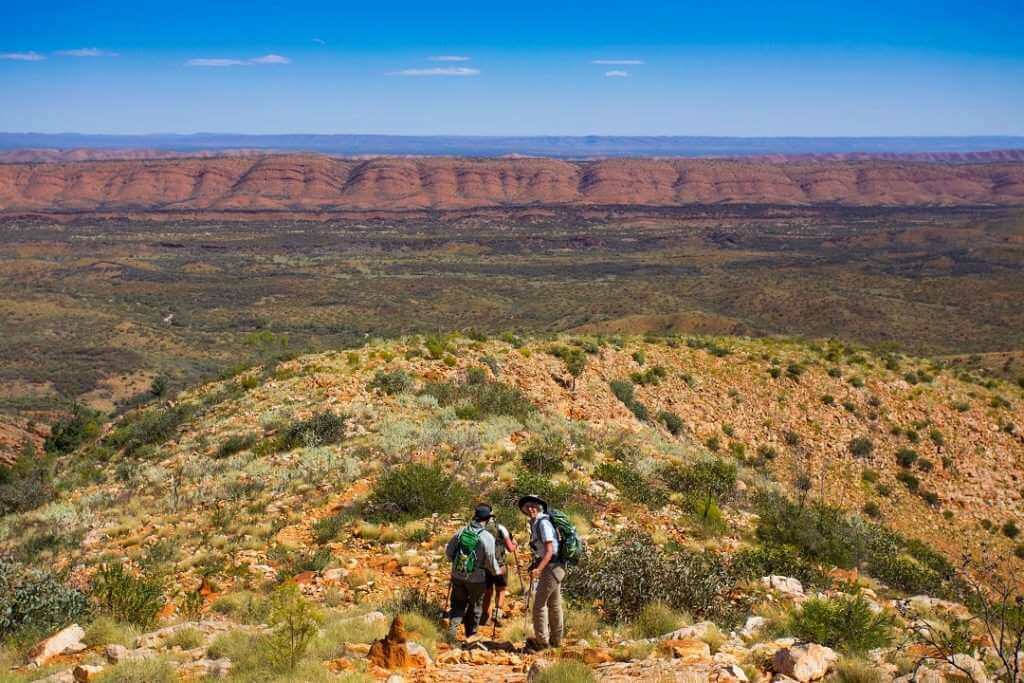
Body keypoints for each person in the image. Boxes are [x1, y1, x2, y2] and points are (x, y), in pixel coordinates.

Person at [444, 503, 502, 640]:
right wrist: (496, 572)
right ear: (487, 519)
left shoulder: (461, 532)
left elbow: (448, 553)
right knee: (475, 606)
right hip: (477, 579)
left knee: (457, 605)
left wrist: (456, 565)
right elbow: (490, 559)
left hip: (458, 576)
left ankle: (451, 634)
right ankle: (471, 636)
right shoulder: (487, 537)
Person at [518, 494, 564, 651]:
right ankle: (556, 641)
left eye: (533, 505)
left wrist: (539, 569)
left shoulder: (542, 524)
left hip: (551, 567)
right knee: (554, 604)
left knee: (539, 605)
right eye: (527, 507)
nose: (530, 509)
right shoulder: (537, 523)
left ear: (539, 507)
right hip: (554, 567)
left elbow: (550, 551)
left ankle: (542, 643)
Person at [480, 514, 517, 628]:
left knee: (488, 591)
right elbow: (510, 548)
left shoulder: (478, 528)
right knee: (501, 589)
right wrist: (515, 544)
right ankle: (497, 614)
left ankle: (485, 616)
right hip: (500, 565)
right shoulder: (500, 527)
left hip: (484, 566)